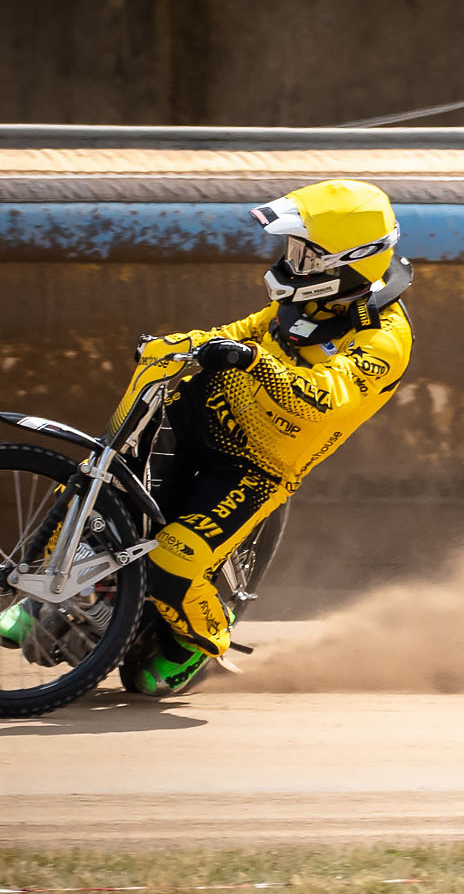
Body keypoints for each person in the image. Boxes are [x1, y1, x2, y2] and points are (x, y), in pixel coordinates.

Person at [4, 181, 415, 696]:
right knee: (99, 485)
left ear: (348, 263)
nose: (290, 264)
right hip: (198, 420)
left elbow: (326, 396)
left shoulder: (385, 339)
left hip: (255, 468)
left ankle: (200, 643)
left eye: (304, 255)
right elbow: (242, 329)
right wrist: (184, 343)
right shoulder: (309, 304)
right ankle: (44, 592)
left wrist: (252, 360)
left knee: (170, 563)